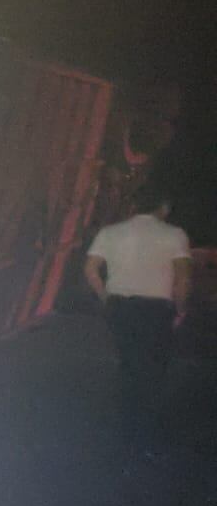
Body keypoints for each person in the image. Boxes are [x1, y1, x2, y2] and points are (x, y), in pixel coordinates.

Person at [84, 186, 192, 454]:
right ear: (163, 207)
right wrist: (180, 308)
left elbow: (90, 268)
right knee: (152, 368)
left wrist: (105, 296)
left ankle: (126, 426)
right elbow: (183, 277)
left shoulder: (110, 233)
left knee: (129, 362)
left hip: (120, 307)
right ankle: (144, 433)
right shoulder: (174, 235)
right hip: (156, 309)